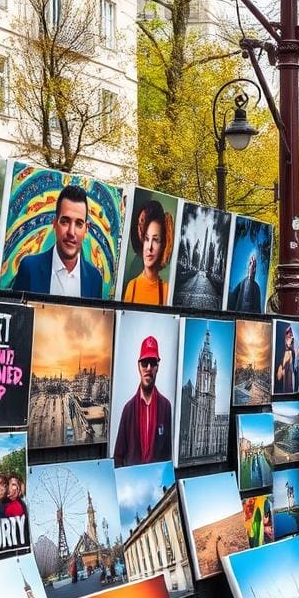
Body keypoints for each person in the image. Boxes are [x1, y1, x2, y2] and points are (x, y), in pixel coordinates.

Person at [12, 185, 103, 298]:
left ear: (86, 229)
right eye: (65, 222)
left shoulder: (94, 279)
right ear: (54, 223)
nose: (71, 232)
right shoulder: (29, 269)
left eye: (79, 224)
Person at [112, 336, 173, 467]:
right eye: (145, 363)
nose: (149, 368)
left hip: (156, 485)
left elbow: (167, 455)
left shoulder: (166, 407)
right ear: (139, 366)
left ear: (158, 366)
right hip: (132, 484)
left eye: (153, 362)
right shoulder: (128, 409)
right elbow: (118, 456)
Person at [124, 200, 173, 305]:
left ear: (162, 245)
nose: (149, 247)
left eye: (155, 240)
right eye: (146, 239)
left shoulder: (167, 290)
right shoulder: (132, 287)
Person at [274, 323, 299, 393]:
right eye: (288, 337)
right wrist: (281, 367)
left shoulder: (295, 351)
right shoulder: (285, 353)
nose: (289, 338)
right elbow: (279, 377)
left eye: (291, 336)